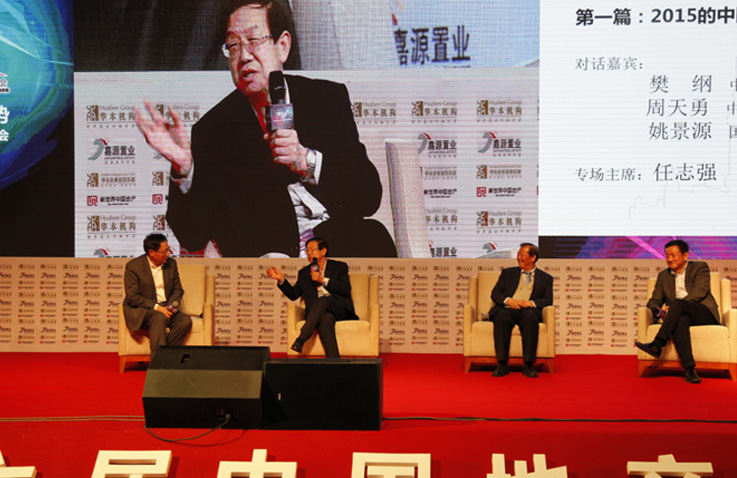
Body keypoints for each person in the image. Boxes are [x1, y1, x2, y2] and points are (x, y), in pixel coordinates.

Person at [134, 0, 395, 258]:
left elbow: (368, 196)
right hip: (269, 263)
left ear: (282, 46)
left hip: (338, 249)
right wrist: (184, 168)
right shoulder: (213, 130)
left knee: (373, 238)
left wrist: (305, 161)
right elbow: (193, 236)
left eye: (254, 40)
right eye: (233, 45)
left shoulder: (325, 99)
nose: (244, 56)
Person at [635, 239, 720, 383]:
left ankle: (657, 343)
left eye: (673, 255)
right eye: (667, 256)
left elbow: (700, 291)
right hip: (680, 314)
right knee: (680, 320)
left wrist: (676, 306)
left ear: (685, 255)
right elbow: (654, 302)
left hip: (703, 312)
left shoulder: (700, 267)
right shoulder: (663, 276)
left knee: (677, 304)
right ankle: (689, 370)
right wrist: (661, 313)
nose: (669, 259)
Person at [266, 237, 357, 358]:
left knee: (325, 300)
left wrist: (323, 280)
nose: (309, 253)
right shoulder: (304, 273)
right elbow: (293, 294)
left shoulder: (339, 267)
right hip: (319, 313)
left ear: (323, 251)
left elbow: (345, 289)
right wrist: (281, 280)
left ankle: (302, 338)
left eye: (312, 249)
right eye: (307, 250)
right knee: (325, 318)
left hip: (340, 309)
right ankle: (334, 363)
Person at [487, 243, 553, 378]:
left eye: (522, 255)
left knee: (530, 319)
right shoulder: (508, 273)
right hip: (507, 308)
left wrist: (530, 303)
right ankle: (502, 364)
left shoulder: (545, 278)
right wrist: (509, 301)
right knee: (501, 318)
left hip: (528, 310)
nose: (518, 258)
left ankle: (528, 365)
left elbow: (548, 300)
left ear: (533, 258)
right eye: (518, 255)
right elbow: (495, 293)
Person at [122, 233, 192, 354]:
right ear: (151, 252)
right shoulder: (134, 267)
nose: (168, 254)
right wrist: (157, 308)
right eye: (164, 251)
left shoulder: (171, 264)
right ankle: (158, 361)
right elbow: (132, 297)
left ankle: (165, 355)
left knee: (185, 321)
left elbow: (178, 290)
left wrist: (170, 307)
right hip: (144, 309)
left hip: (166, 307)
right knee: (159, 317)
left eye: (168, 250)